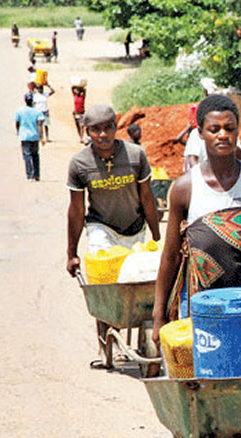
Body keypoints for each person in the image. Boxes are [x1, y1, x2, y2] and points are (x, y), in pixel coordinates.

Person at [152, 94, 241, 350]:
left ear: (238, 131)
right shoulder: (185, 188)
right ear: (200, 133)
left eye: (229, 129)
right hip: (200, 310)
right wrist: (159, 315)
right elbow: (171, 256)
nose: (222, 135)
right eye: (214, 129)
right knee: (203, 383)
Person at [66, 104, 161, 366]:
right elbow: (75, 210)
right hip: (101, 228)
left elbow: (147, 198)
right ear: (88, 131)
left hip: (134, 227)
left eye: (107, 127)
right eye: (95, 130)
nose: (103, 135)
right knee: (104, 285)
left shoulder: (134, 155)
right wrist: (71, 252)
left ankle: (140, 340)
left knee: (137, 284)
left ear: (115, 127)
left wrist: (156, 237)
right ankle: (105, 345)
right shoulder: (80, 163)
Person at [15, 93, 46, 181]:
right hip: (35, 136)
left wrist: (18, 132)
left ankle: (30, 175)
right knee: (35, 155)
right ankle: (37, 175)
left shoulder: (20, 111)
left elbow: (17, 123)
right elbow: (40, 125)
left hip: (24, 136)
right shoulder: (37, 111)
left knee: (27, 156)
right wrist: (41, 137)